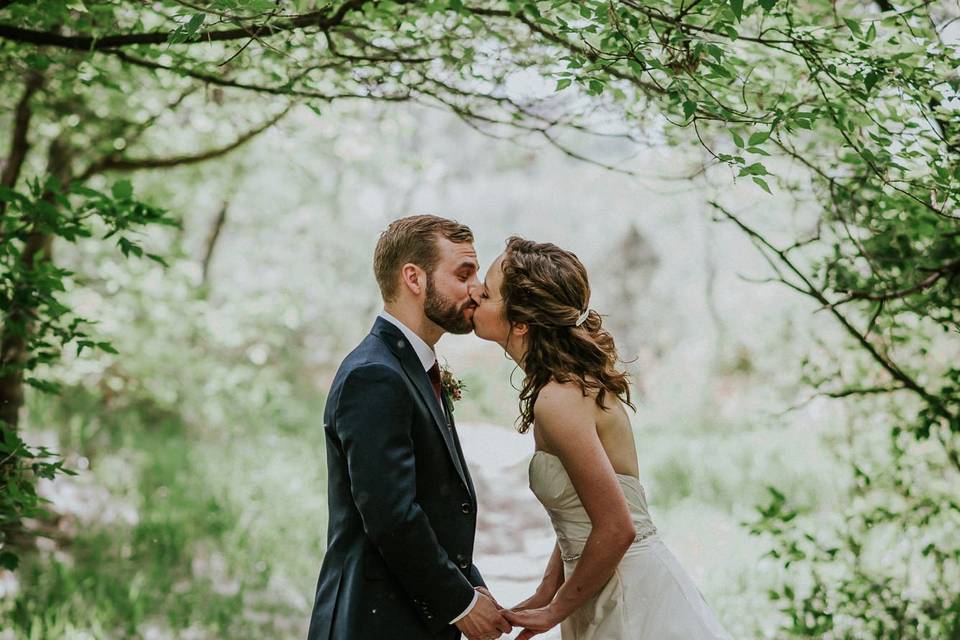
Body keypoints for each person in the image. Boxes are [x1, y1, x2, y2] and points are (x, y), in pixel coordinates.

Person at [468, 236, 732, 640]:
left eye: (486, 294)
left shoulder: (559, 399)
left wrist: (556, 609)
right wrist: (547, 588)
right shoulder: (564, 388)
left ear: (521, 322)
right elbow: (585, 511)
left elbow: (616, 527)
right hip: (601, 585)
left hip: (628, 592)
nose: (474, 296)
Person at [307, 215, 511, 640]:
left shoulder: (412, 366)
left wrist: (472, 588)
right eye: (463, 273)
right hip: (373, 622)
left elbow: (433, 504)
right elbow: (392, 515)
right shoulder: (374, 376)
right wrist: (461, 603)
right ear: (414, 279)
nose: (476, 288)